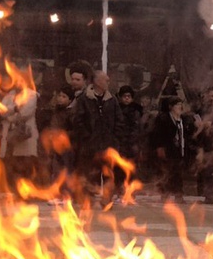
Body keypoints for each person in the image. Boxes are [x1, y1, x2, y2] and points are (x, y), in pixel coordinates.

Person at [71, 70, 123, 207]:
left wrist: (114, 139)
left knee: (108, 174)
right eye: (105, 80)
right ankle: (88, 201)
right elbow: (78, 120)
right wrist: (87, 137)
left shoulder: (112, 100)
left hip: (108, 145)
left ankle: (106, 201)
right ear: (97, 82)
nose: (108, 82)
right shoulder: (84, 99)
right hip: (90, 146)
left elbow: (119, 120)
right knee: (90, 174)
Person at [0, 82, 39, 192]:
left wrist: (10, 114)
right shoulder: (9, 95)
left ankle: (26, 191)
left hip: (25, 135)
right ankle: (13, 189)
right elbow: (1, 111)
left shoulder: (31, 95)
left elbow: (25, 113)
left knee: (25, 164)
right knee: (11, 163)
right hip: (10, 136)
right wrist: (15, 108)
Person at [41, 87, 77, 203]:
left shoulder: (71, 113)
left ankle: (67, 195)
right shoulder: (56, 111)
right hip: (56, 146)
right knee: (56, 171)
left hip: (67, 147)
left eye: (64, 97)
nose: (60, 99)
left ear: (70, 100)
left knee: (66, 171)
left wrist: (63, 135)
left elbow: (75, 130)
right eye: (60, 96)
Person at [150, 96, 187, 203]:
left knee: (178, 173)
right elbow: (157, 134)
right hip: (167, 149)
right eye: (177, 105)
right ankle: (165, 194)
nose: (180, 107)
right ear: (171, 107)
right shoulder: (163, 118)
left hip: (180, 149)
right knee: (166, 171)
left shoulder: (182, 119)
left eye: (181, 104)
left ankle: (178, 195)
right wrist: (159, 147)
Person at [115, 85, 142, 202]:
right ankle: (119, 191)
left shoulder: (136, 111)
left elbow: (138, 129)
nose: (126, 99)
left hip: (132, 145)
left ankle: (130, 192)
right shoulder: (116, 109)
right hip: (120, 144)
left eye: (129, 96)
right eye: (124, 96)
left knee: (131, 169)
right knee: (118, 169)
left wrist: (135, 143)